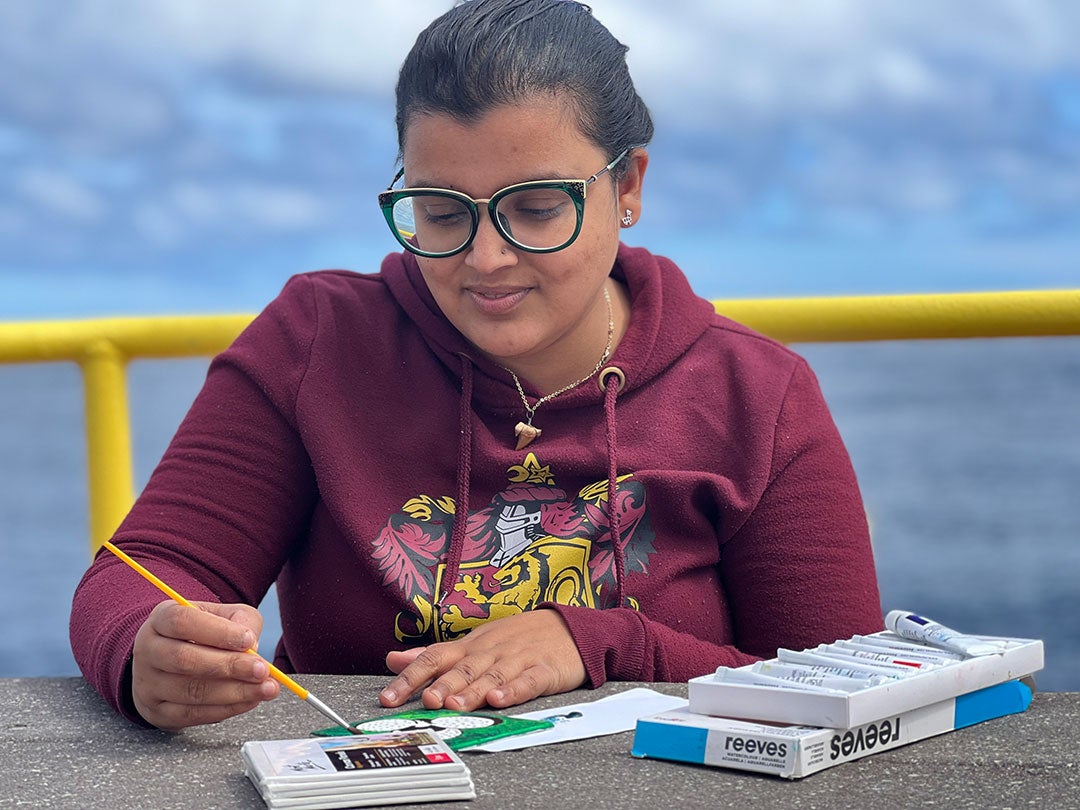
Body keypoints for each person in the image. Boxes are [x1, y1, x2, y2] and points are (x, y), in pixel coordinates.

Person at [71, 0, 882, 732]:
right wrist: (148, 654)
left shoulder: (755, 395)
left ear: (628, 184)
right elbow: (147, 571)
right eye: (440, 211)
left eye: (535, 209)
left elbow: (843, 687)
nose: (485, 258)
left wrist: (605, 643)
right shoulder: (317, 341)